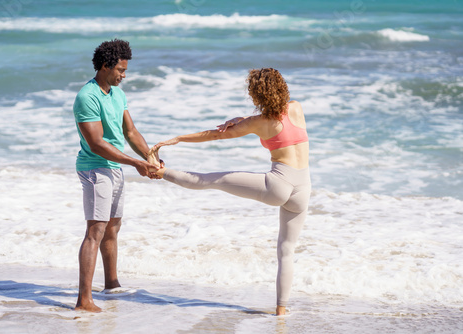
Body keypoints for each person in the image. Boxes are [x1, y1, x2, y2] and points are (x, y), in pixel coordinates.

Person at [149, 68, 311, 316]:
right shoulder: (296, 108)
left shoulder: (258, 122)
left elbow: (214, 135)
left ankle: (161, 173)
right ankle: (281, 310)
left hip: (277, 184)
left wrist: (179, 138)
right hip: (303, 187)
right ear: (282, 87)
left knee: (213, 180)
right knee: (286, 250)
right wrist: (241, 118)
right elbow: (277, 113)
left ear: (257, 95)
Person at [73, 39, 162, 312]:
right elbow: (97, 143)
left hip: (114, 166)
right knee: (95, 231)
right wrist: (135, 163)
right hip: (95, 167)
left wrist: (150, 156)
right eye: (121, 70)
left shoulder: (116, 94)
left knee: (112, 228)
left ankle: (111, 284)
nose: (124, 75)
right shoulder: (87, 97)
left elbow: (130, 132)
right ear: (105, 66)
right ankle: (83, 300)